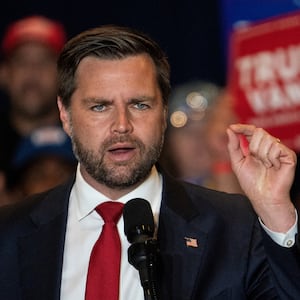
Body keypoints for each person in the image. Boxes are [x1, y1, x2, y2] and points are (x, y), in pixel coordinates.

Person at [0, 25, 299, 300]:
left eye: (140, 104)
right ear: (65, 115)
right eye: (100, 106)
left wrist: (277, 214)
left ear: (163, 110)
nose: (122, 125)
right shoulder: (8, 235)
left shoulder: (235, 227)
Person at [0, 15, 67, 193]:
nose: (32, 71)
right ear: (4, 73)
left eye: (44, 60)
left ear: (64, 76)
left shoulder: (84, 141)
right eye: (22, 61)